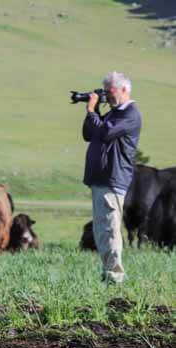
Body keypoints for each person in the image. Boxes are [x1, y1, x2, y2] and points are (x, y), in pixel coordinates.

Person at [81, 71, 141, 284]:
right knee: (102, 230)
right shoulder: (114, 113)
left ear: (124, 89)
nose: (106, 95)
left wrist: (91, 109)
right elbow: (89, 134)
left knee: (109, 228)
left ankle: (114, 277)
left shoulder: (130, 114)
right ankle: (109, 274)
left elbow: (105, 133)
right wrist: (94, 110)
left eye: (110, 91)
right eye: (104, 91)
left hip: (112, 178)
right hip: (101, 179)